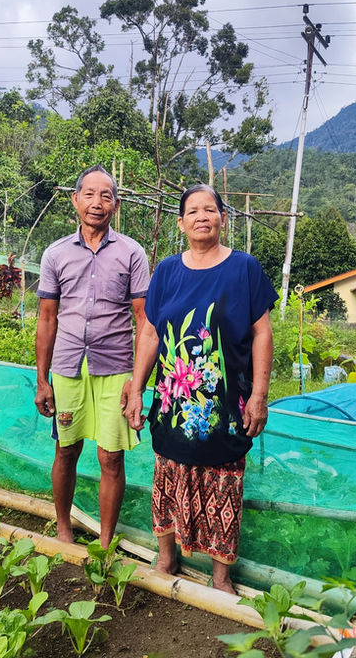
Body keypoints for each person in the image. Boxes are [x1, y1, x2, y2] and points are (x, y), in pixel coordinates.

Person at [124, 184, 276, 594]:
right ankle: (166, 556)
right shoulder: (167, 271)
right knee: (168, 472)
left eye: (210, 209)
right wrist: (137, 389)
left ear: (223, 219)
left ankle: (221, 575)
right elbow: (152, 333)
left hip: (226, 406)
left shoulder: (245, 269)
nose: (202, 216)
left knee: (224, 482)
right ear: (181, 222)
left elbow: (262, 333)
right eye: (193, 211)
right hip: (175, 403)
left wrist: (260, 395)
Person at [35, 165, 150, 548]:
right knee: (66, 449)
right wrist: (42, 379)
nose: (96, 203)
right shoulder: (56, 254)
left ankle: (104, 542)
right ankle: (64, 529)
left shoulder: (132, 252)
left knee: (111, 457)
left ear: (115, 205)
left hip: (115, 366)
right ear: (75, 199)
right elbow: (47, 318)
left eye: (105, 196)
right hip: (68, 367)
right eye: (89, 194)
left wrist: (137, 381)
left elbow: (143, 320)